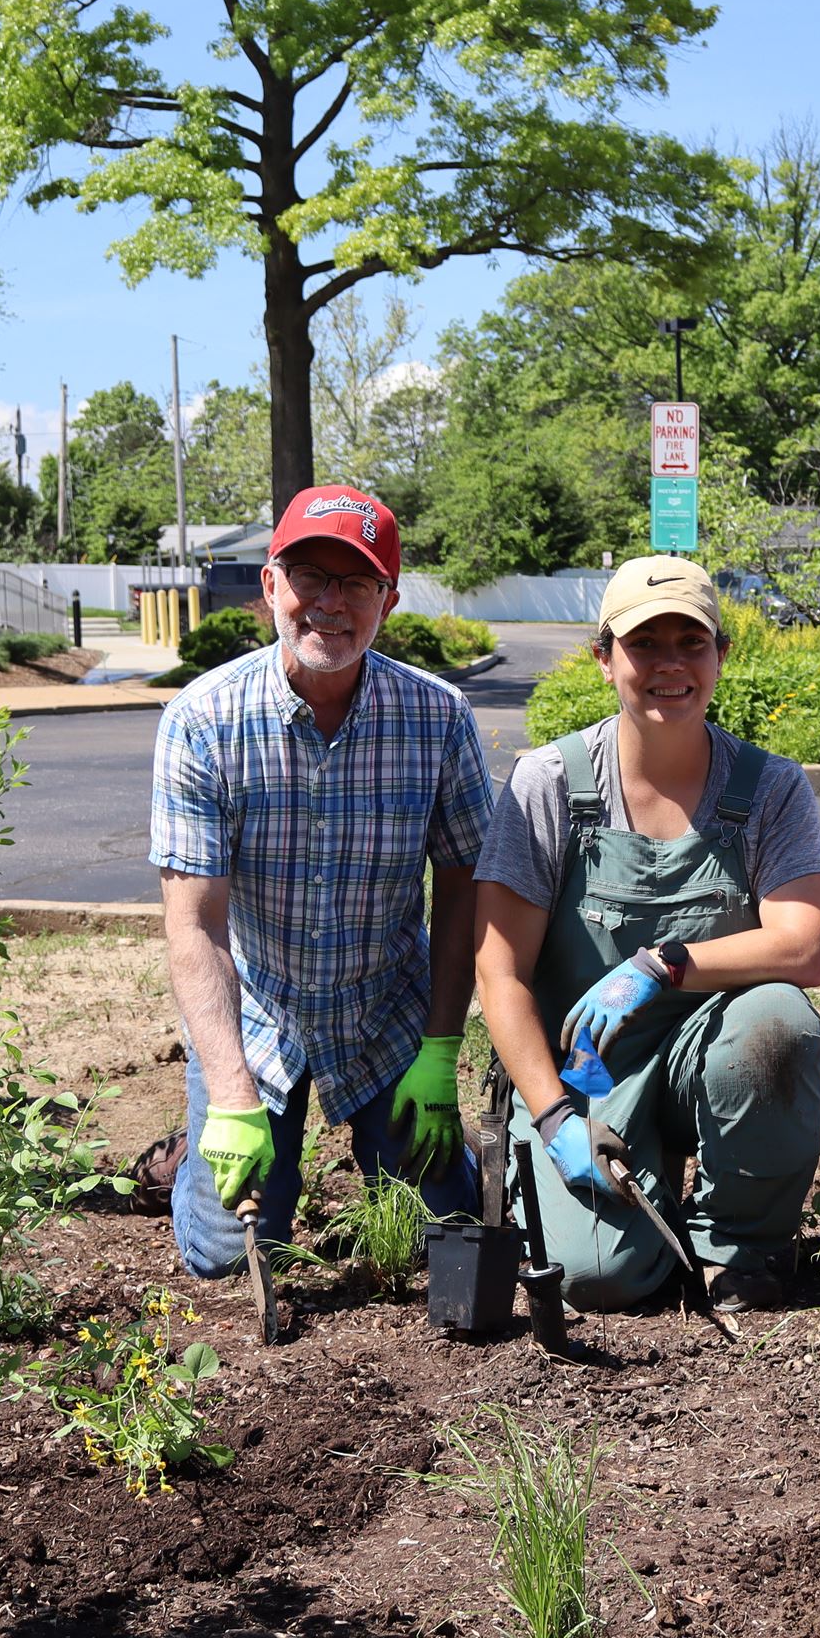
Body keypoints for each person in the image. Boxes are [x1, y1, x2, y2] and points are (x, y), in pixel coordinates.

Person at [474, 557, 820, 1313]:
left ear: (721, 655)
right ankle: (645, 1182)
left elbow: (804, 946)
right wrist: (552, 1115)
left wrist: (663, 963)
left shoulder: (768, 787)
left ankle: (737, 1245)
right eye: (645, 645)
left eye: (690, 642)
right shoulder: (551, 784)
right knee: (594, 1279)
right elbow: (500, 972)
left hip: (716, 1048)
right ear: (604, 659)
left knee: (779, 1025)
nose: (670, 665)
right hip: (591, 1074)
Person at [150, 485, 491, 1278]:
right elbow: (193, 925)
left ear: (389, 600)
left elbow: (466, 885)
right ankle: (189, 1153)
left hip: (386, 1018)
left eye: (357, 583)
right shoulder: (203, 720)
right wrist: (232, 1091)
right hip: (260, 1019)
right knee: (225, 1255)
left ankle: (439, 1144)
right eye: (309, 575)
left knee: (439, 1235)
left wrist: (440, 1048)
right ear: (271, 585)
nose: (329, 604)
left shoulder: (438, 719)